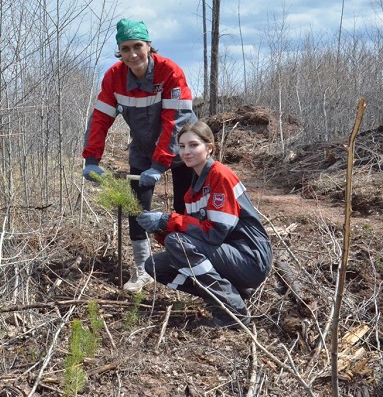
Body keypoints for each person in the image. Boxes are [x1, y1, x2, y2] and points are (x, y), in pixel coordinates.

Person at [82, 18, 197, 293]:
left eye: (138, 46)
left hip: (182, 148)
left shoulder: (170, 72)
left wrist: (160, 163)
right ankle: (142, 269)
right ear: (119, 51)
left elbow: (175, 121)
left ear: (149, 46)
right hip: (143, 148)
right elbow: (100, 119)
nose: (133, 54)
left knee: (184, 206)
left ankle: (182, 262)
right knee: (137, 208)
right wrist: (91, 160)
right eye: (125, 48)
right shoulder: (114, 77)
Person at [136, 121, 272, 329]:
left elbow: (216, 232)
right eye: (181, 146)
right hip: (229, 256)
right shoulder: (194, 189)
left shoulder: (220, 175)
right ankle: (232, 293)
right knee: (156, 266)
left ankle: (232, 312)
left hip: (250, 258)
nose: (186, 151)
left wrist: (166, 220)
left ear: (209, 148)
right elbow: (195, 235)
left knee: (177, 243)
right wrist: (160, 230)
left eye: (193, 145)